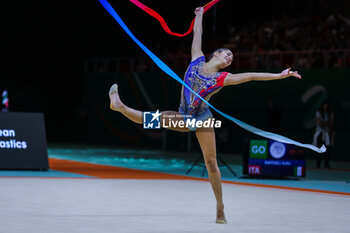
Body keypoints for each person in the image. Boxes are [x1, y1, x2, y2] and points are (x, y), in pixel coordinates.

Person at [109, 7, 301, 224]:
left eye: (232, 57)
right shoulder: (196, 59)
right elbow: (197, 34)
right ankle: (120, 106)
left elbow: (252, 76)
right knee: (151, 118)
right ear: (215, 54)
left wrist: (279, 75)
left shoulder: (223, 78)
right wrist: (199, 14)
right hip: (184, 116)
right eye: (227, 53)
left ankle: (220, 207)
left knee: (211, 163)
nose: (230, 58)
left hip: (203, 118)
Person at [313, 100, 335, 168]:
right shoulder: (318, 112)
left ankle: (326, 164)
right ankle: (318, 164)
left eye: (326, 105)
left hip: (327, 134)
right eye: (324, 105)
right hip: (320, 133)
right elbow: (319, 122)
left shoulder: (330, 113)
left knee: (328, 149)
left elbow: (331, 123)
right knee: (319, 148)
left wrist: (327, 125)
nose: (325, 106)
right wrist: (325, 124)